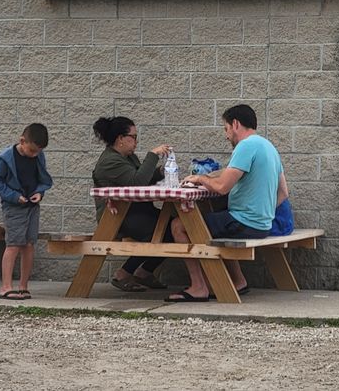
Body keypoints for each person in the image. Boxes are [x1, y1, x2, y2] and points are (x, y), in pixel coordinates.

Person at [168, 103, 288, 302]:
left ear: (235, 124)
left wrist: (200, 179)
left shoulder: (246, 146)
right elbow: (284, 192)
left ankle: (199, 287)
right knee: (219, 222)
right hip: (263, 224)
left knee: (180, 225)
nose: (226, 135)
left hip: (244, 222)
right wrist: (262, 210)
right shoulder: (268, 147)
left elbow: (222, 187)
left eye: (225, 129)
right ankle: (238, 281)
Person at [91, 115, 172, 291]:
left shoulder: (128, 158)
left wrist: (161, 172)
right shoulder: (110, 161)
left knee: (174, 226)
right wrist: (152, 155)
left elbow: (142, 178)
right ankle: (123, 274)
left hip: (136, 211)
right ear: (120, 139)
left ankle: (144, 272)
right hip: (117, 217)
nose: (136, 141)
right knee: (158, 231)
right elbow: (137, 182)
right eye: (133, 137)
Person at [0, 121, 52, 301]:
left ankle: (23, 286)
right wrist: (13, 196)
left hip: (32, 205)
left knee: (29, 244)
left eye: (38, 151)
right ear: (22, 140)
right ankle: (6, 287)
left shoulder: (39, 156)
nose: (34, 155)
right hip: (14, 206)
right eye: (31, 150)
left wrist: (40, 193)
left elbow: (42, 179)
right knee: (14, 244)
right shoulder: (6, 158)